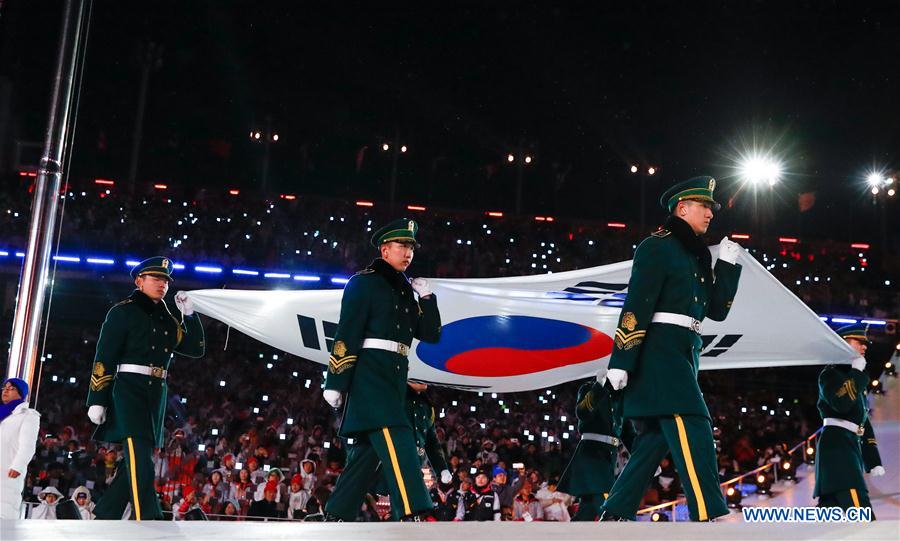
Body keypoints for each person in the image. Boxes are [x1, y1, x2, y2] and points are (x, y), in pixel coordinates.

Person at [600, 176, 743, 522]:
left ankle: (616, 512)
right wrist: (621, 360)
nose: (711, 213)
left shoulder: (696, 255)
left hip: (686, 349)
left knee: (655, 439)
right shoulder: (656, 246)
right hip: (658, 348)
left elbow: (716, 312)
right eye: (705, 206)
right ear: (683, 207)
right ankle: (709, 510)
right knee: (692, 418)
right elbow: (637, 305)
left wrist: (727, 267)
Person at [322, 219, 442, 522]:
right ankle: (412, 510)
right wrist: (335, 379)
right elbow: (347, 332)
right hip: (369, 374)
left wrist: (427, 299)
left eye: (412, 247)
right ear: (385, 250)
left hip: (394, 376)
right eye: (402, 246)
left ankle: (337, 513)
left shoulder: (405, 289)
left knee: (369, 452)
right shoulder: (363, 282)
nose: (409, 252)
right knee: (398, 435)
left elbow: (430, 334)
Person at [85, 257, 206, 520]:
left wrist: (190, 316)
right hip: (128, 390)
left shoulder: (167, 318)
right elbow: (104, 355)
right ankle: (148, 520)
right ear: (139, 281)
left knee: (135, 461)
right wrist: (97, 397)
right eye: (156, 278)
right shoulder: (122, 312)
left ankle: (105, 516)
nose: (162, 284)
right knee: (141, 458)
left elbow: (196, 349)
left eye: (165, 280)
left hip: (155, 393)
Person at [814, 323, 885, 514]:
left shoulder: (851, 376)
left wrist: (873, 459)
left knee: (830, 512)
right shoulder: (830, 374)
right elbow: (842, 403)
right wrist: (856, 374)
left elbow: (862, 420)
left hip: (847, 444)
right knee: (860, 509)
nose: (865, 347)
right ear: (843, 344)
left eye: (865, 344)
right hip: (838, 446)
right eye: (859, 342)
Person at [558, 371, 636, 521]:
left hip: (608, 456)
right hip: (591, 454)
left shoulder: (620, 396)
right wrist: (598, 387)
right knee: (610, 504)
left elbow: (627, 433)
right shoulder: (590, 388)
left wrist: (641, 455)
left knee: (586, 512)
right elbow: (582, 412)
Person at [0, 377, 40, 519]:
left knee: (4, 513)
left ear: (21, 393)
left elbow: (27, 445)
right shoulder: (2, 413)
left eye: (11, 388)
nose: (6, 391)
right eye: (4, 388)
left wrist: (18, 466)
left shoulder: (28, 416)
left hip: (7, 471)